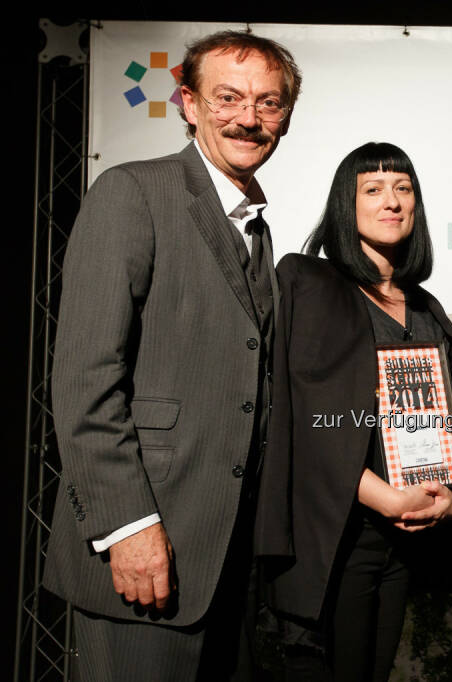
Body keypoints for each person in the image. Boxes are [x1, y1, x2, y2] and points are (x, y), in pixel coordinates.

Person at [44, 31, 301, 680]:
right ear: (187, 103)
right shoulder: (132, 193)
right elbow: (84, 379)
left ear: (287, 117)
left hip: (227, 564)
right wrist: (126, 526)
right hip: (145, 552)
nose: (249, 118)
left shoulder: (259, 226)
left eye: (268, 103)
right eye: (228, 98)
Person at [255, 142, 452, 682]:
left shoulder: (425, 306)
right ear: (344, 207)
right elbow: (305, 417)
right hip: (336, 535)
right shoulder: (309, 282)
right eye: (372, 189)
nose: (391, 201)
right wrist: (384, 495)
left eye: (402, 188)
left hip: (405, 539)